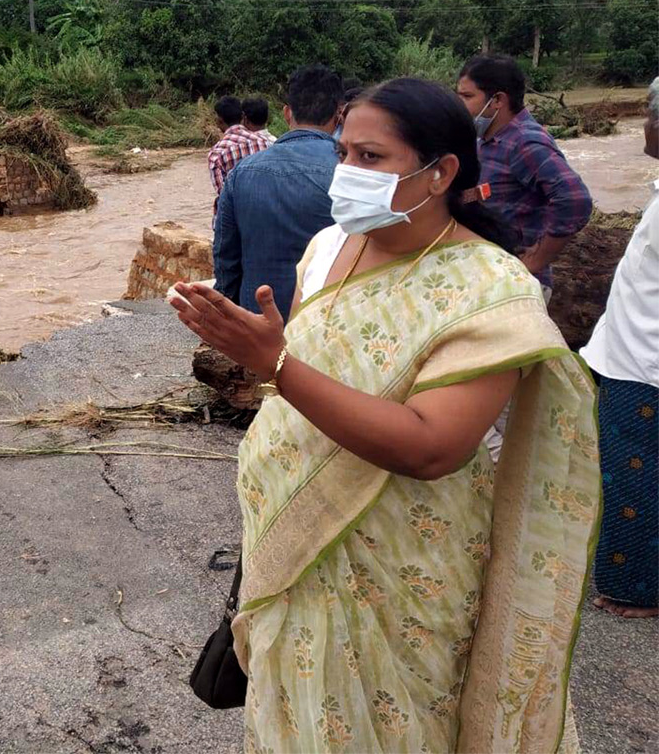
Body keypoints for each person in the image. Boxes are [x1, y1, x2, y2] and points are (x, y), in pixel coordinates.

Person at [172, 77, 597, 754]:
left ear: (441, 174)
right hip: (293, 538)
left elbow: (434, 447)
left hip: (402, 566)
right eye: (344, 154)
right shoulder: (327, 248)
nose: (347, 174)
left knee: (398, 724)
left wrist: (275, 364)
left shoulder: (491, 288)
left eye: (371, 159)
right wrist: (267, 358)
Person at [580, 78, 659, 619]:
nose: (646, 126)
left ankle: (636, 588)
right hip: (628, 349)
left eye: (651, 115)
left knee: (635, 474)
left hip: (644, 362)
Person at [456, 55, 593, 293]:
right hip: (491, 270)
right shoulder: (485, 139)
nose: (459, 105)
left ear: (497, 100)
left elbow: (574, 199)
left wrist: (536, 260)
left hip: (518, 283)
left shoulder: (526, 142)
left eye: (467, 96)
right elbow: (490, 190)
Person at [215, 64, 342, 320]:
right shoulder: (349, 172)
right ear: (339, 115)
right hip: (326, 327)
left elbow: (225, 258)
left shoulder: (241, 174)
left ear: (286, 113)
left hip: (260, 326)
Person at [207, 96, 264, 206]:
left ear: (219, 121)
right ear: (243, 116)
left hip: (237, 215)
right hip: (265, 212)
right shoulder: (264, 142)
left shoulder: (216, 154)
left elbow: (224, 196)